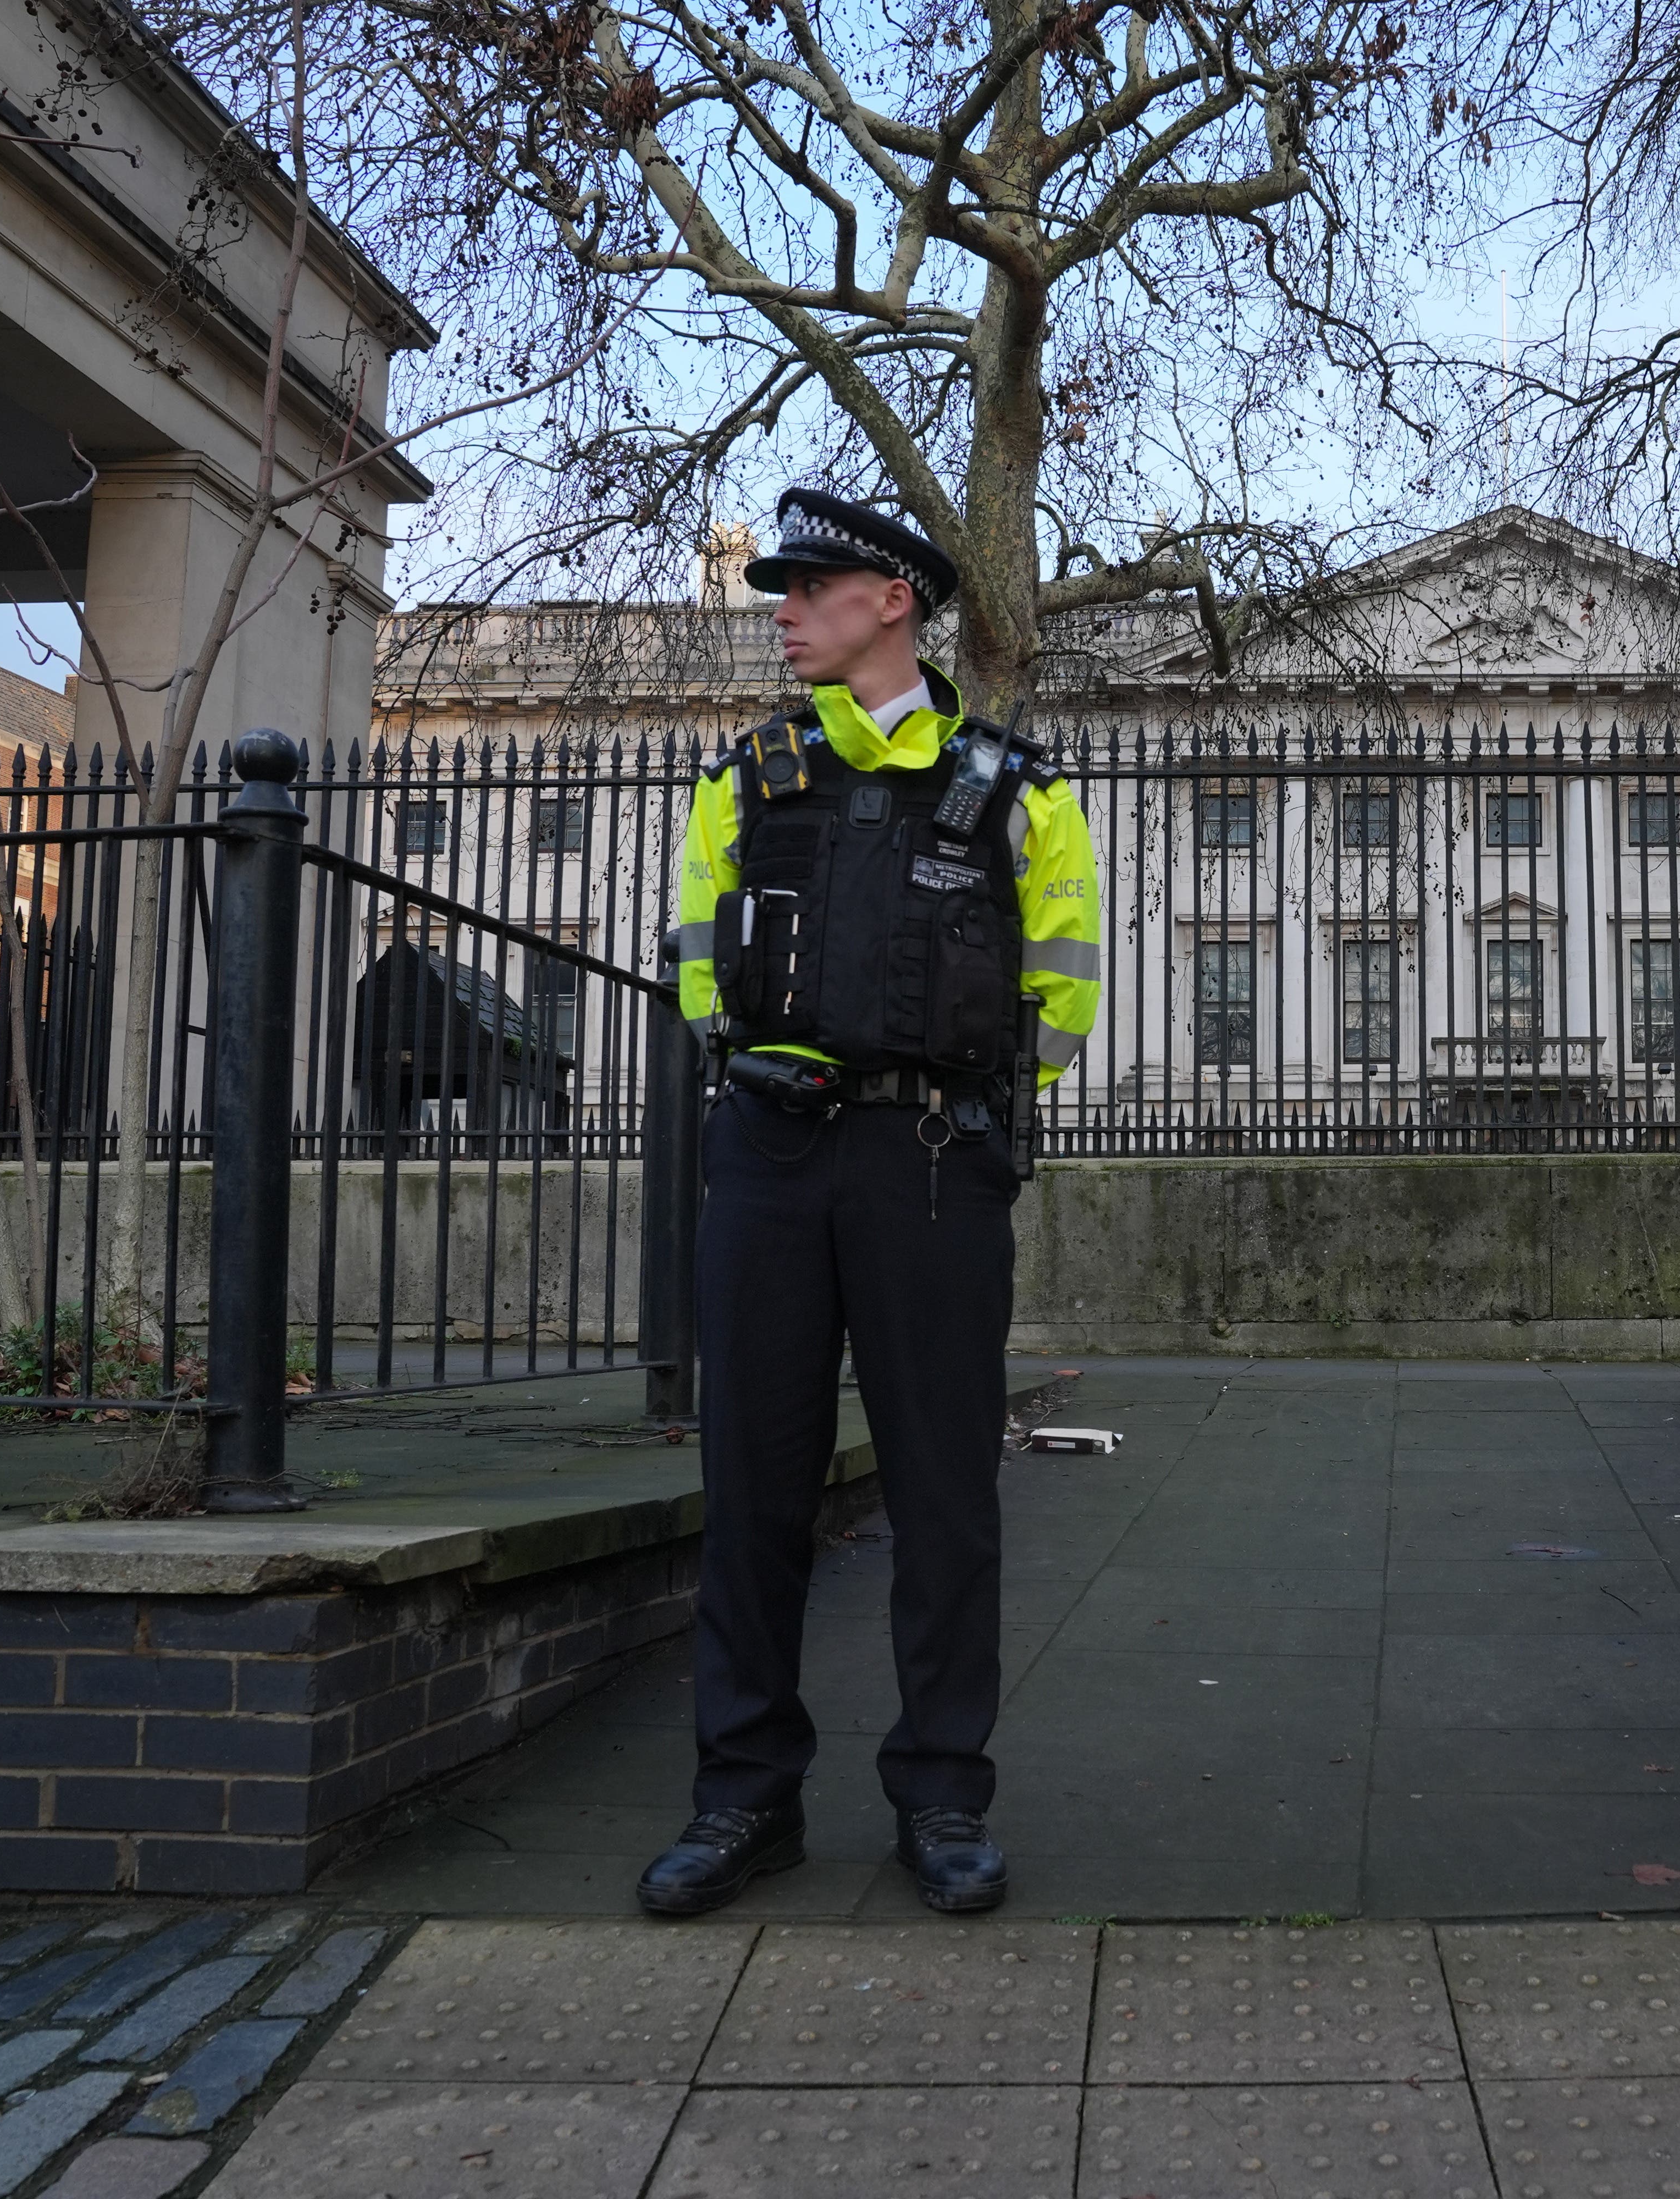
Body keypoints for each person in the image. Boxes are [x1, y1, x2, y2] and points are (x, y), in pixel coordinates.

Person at [637, 487, 1102, 1918]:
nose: (781, 609)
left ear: (892, 599)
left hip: (932, 1167)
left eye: (809, 587)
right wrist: (771, 1069)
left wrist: (960, 1104)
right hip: (768, 1161)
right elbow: (697, 964)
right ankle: (743, 1801)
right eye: (778, 589)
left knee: (945, 1497)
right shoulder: (745, 779)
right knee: (752, 1495)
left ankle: (943, 1798)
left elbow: (1067, 995)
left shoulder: (1016, 791)